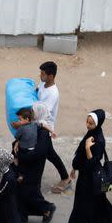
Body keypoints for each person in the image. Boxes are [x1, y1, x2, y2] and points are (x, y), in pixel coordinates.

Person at [64, 110, 112, 223]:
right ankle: (108, 221)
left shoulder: (98, 140)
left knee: (82, 203)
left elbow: (93, 162)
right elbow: (80, 154)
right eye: (87, 122)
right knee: (98, 201)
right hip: (86, 174)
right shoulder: (92, 133)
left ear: (98, 123)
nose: (88, 125)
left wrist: (88, 148)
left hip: (90, 177)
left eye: (91, 123)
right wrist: (74, 168)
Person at [37, 61, 72, 194]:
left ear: (51, 76)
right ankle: (65, 177)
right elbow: (37, 92)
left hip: (44, 128)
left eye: (43, 74)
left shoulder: (53, 93)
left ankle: (65, 178)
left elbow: (44, 113)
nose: (40, 75)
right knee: (49, 154)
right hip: (38, 124)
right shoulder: (42, 84)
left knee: (47, 154)